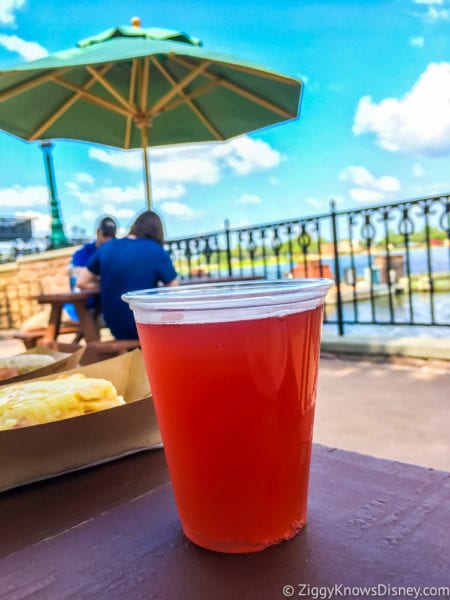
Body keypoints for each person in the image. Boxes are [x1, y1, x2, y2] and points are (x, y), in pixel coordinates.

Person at [77, 210, 178, 340]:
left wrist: (108, 283)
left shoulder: (107, 247)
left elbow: (81, 282)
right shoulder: (156, 250)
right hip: (146, 325)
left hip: (115, 325)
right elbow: (173, 288)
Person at [64, 215, 118, 323]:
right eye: (106, 235)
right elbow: (79, 279)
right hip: (82, 308)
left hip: (105, 308)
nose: (109, 239)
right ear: (98, 232)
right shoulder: (83, 253)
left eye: (112, 236)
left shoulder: (115, 251)